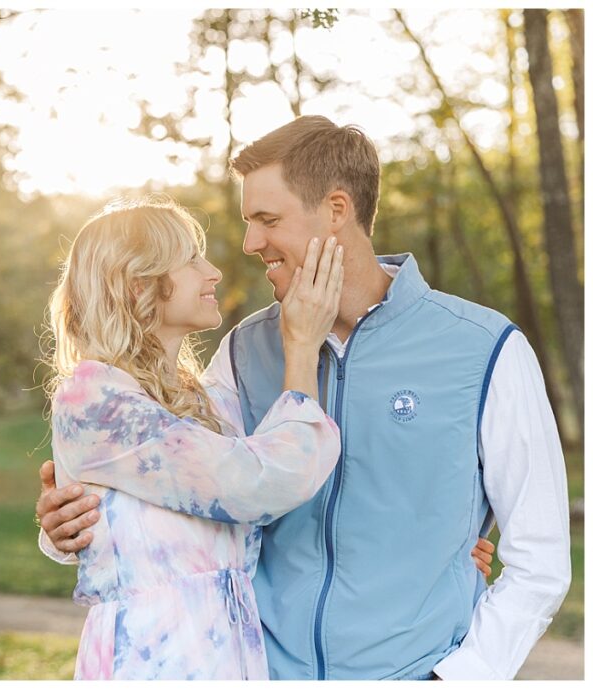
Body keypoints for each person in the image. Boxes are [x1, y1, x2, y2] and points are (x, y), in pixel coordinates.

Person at [36, 116, 570, 680]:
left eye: (267, 220)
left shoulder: (483, 349)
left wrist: (463, 676)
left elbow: (540, 560)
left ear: (336, 211)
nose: (248, 244)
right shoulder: (244, 352)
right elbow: (185, 486)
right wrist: (69, 528)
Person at [44, 197, 345, 679]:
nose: (213, 273)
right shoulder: (95, 400)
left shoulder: (209, 401)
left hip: (230, 655)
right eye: (190, 259)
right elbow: (257, 484)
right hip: (153, 658)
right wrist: (303, 347)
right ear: (139, 283)